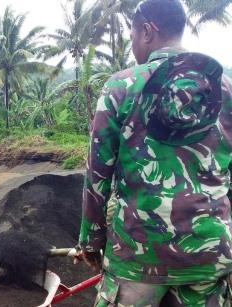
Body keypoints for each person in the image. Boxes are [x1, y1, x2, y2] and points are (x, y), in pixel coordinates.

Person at [77, 0, 232, 305]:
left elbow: (97, 176)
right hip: (209, 254)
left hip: (137, 259)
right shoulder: (224, 89)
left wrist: (91, 241)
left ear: (147, 31)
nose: (134, 46)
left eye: (133, 36)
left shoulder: (121, 87)